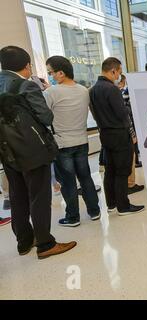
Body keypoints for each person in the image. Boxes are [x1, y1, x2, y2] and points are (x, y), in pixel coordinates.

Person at [0, 46, 76, 258]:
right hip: (32, 151)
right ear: (26, 66)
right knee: (39, 196)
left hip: (7, 152)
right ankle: (45, 244)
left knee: (17, 196)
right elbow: (46, 118)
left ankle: (24, 241)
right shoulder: (25, 85)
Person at [44, 56, 101, 227]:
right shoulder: (83, 90)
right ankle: (94, 211)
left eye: (51, 72)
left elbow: (44, 116)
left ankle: (72, 217)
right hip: (82, 140)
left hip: (62, 143)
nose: (50, 76)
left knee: (68, 182)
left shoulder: (51, 92)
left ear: (61, 73)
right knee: (85, 178)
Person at [89, 57, 144, 215]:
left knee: (110, 170)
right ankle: (123, 206)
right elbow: (122, 114)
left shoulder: (92, 90)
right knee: (122, 171)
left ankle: (111, 203)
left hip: (105, 134)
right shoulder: (112, 89)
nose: (119, 75)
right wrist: (132, 133)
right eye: (119, 71)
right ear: (113, 71)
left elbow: (94, 114)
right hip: (120, 134)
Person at [117, 74, 144, 195]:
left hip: (111, 134)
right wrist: (133, 134)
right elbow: (126, 117)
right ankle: (130, 184)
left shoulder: (96, 91)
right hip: (124, 132)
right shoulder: (119, 95)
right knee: (129, 158)